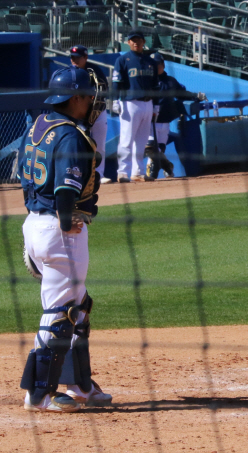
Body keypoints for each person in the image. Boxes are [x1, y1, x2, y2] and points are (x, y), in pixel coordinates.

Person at [18, 67, 112, 412]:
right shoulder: (71, 135)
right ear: (75, 98)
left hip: (35, 223)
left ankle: (80, 385)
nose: (93, 102)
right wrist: (65, 217)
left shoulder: (40, 125)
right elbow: (65, 189)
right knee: (62, 311)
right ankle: (39, 393)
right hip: (60, 229)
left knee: (79, 308)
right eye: (88, 96)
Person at [146, 53, 206, 179]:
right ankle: (157, 171)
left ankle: (168, 167)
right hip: (149, 121)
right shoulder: (146, 81)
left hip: (165, 121)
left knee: (160, 150)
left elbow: (182, 94)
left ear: (162, 65)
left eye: (157, 64)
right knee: (150, 147)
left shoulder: (170, 81)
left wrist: (196, 96)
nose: (154, 67)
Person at [111, 29, 159, 183]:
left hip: (148, 103)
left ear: (144, 42)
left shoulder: (150, 62)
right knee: (126, 140)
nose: (136, 42)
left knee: (142, 140)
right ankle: (122, 172)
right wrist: (114, 100)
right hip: (130, 103)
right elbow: (116, 82)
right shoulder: (123, 60)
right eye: (133, 40)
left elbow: (155, 86)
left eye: (139, 40)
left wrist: (156, 105)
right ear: (128, 42)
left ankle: (137, 172)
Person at [69, 45, 112, 185]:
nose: (74, 60)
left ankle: (98, 174)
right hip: (77, 113)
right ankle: (78, 174)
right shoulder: (67, 72)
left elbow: (104, 89)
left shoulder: (94, 70)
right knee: (78, 145)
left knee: (99, 145)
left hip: (98, 111)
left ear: (85, 57)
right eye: (72, 57)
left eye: (78, 57)